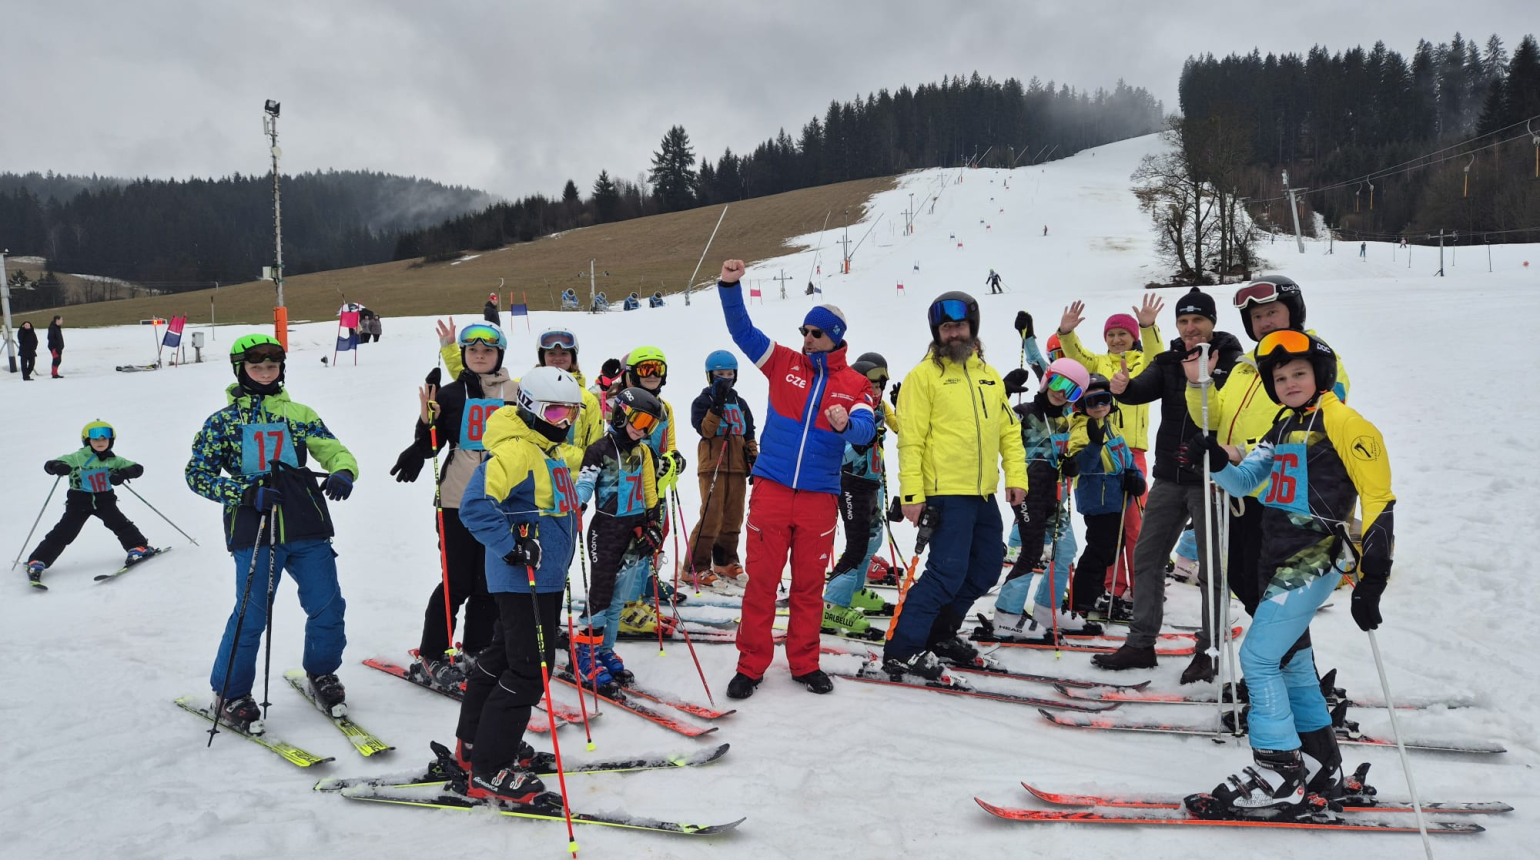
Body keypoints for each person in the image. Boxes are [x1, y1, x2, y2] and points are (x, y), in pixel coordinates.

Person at [1182, 330, 1390, 820]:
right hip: (1276, 557)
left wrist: (1374, 575)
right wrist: (1215, 463)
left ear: (1321, 376)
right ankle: (1322, 767)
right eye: (1281, 376)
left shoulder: (1344, 422)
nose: (1290, 382)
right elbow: (1248, 481)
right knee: (1293, 662)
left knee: (1257, 657)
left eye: (1299, 373)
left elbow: (1380, 498)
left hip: (1314, 558)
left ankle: (1277, 771)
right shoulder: (1282, 427)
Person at [716, 258, 876, 698]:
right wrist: (730, 287)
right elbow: (743, 333)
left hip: (819, 498)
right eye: (804, 331)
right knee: (762, 586)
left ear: (835, 338)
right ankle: (751, 666)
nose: (806, 339)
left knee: (808, 588)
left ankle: (805, 664)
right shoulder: (782, 362)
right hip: (771, 489)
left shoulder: (856, 384)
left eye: (815, 333)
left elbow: (867, 429)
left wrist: (847, 424)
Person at [186, 334, 359, 732]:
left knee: (328, 606)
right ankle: (231, 693)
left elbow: (332, 447)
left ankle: (322, 672)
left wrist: (343, 470)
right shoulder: (223, 422)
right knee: (251, 616)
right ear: (240, 370)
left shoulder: (298, 413)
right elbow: (198, 475)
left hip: (305, 522)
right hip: (255, 525)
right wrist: (244, 492)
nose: (265, 373)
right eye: (256, 367)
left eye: (272, 366)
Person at [1092, 287, 1243, 678]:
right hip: (1167, 478)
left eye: (1198, 320)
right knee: (1147, 559)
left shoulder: (1232, 362)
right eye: (1184, 321)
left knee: (1211, 570)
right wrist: (1123, 390)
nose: (1190, 328)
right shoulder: (1170, 359)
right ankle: (1140, 644)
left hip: (1210, 479)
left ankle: (1208, 651)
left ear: (1212, 322)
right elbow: (1144, 388)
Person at [451, 365, 582, 805]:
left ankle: (475, 745)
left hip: (541, 579)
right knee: (530, 669)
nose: (566, 421)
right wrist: (510, 547)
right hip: (524, 578)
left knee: (503, 656)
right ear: (531, 408)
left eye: (573, 413)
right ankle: (490, 767)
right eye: (558, 411)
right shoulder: (517, 451)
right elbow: (474, 506)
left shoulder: (546, 450)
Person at [883, 291, 1028, 680]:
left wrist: (1016, 476)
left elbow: (1009, 432)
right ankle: (903, 649)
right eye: (946, 328)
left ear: (972, 328)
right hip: (944, 493)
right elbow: (910, 439)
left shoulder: (988, 376)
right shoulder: (923, 377)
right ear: (937, 333)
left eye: (959, 326)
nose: (953, 334)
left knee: (983, 570)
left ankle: (940, 635)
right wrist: (912, 494)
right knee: (945, 573)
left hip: (981, 494)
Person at [1190, 276, 1350, 621]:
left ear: (1293, 313)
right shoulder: (1248, 364)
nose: (1264, 322)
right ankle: (1280, 670)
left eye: (1272, 313)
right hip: (1241, 494)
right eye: (1257, 317)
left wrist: (1243, 451)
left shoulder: (1317, 359)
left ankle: (1289, 672)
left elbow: (1315, 428)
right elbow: (1216, 416)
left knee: (1275, 593)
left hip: (1284, 498)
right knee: (1244, 582)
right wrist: (1197, 384)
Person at [389, 321, 514, 689]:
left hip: (502, 501)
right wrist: (425, 425)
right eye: (472, 351)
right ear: (463, 355)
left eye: (487, 351)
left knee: (488, 582)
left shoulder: (514, 392)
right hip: (458, 500)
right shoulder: (449, 393)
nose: (479, 355)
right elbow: (431, 444)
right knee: (456, 580)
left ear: (498, 355)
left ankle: (475, 649)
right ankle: (432, 653)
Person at [1057, 296, 1164, 620]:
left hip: (1131, 451)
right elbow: (1076, 356)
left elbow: (1160, 357)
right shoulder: (1100, 364)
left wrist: (1148, 326)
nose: (1117, 340)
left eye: (1123, 334)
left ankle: (1139, 587)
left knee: (1134, 525)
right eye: (1111, 335)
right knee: (1110, 527)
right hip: (1100, 447)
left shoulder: (1145, 362)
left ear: (1133, 337)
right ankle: (1111, 588)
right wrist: (1066, 334)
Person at [982, 353, 1091, 641]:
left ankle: (1046, 609)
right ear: (1045, 381)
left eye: (1071, 389)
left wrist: (1070, 464)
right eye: (1056, 382)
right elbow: (991, 422)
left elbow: (1060, 455)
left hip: (1053, 496)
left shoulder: (1065, 422)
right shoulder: (1025, 412)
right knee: (1030, 553)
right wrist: (1003, 391)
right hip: (1027, 493)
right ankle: (1007, 614)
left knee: (1065, 552)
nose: (1060, 392)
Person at [572, 387, 666, 693]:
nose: (642, 429)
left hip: (633, 530)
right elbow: (585, 482)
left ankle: (604, 649)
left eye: (650, 425)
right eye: (639, 420)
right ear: (621, 413)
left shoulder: (643, 453)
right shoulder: (600, 449)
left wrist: (653, 525)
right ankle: (585, 652)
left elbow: (650, 491)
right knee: (600, 595)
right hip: (606, 530)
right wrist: (577, 504)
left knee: (617, 600)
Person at [821, 352, 900, 637]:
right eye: (872, 385)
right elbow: (837, 452)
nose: (877, 391)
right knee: (857, 544)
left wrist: (904, 409)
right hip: (851, 482)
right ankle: (832, 607)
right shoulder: (846, 408)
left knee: (873, 539)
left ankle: (853, 592)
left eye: (880, 385)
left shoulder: (879, 409)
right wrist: (861, 446)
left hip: (871, 482)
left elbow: (903, 428)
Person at [24, 420, 155, 584]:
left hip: (105, 501)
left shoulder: (113, 459)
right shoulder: (78, 458)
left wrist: (122, 474)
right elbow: (51, 464)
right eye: (96, 440)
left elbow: (137, 468)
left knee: (120, 524)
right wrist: (57, 467)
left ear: (110, 441)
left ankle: (138, 547)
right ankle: (37, 561)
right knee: (64, 532)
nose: (100, 443)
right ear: (87, 441)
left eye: (104, 440)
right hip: (78, 503)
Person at [1066, 375, 1147, 615]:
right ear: (1082, 406)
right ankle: (1081, 599)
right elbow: (1082, 466)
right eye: (1093, 402)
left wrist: (1136, 479)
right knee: (1100, 549)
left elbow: (1127, 458)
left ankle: (1095, 592)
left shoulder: (1111, 426)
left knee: (1112, 547)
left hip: (1116, 499)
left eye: (1105, 399)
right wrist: (1093, 444)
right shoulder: (1081, 429)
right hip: (1097, 500)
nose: (1100, 406)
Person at [686, 350, 758, 591]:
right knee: (711, 515)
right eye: (720, 375)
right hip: (712, 465)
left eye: (729, 374)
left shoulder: (740, 402)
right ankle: (695, 566)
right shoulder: (703, 401)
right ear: (710, 377)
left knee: (733, 516)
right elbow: (705, 430)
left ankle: (725, 561)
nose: (726, 379)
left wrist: (753, 458)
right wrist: (716, 404)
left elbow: (749, 432)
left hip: (736, 466)